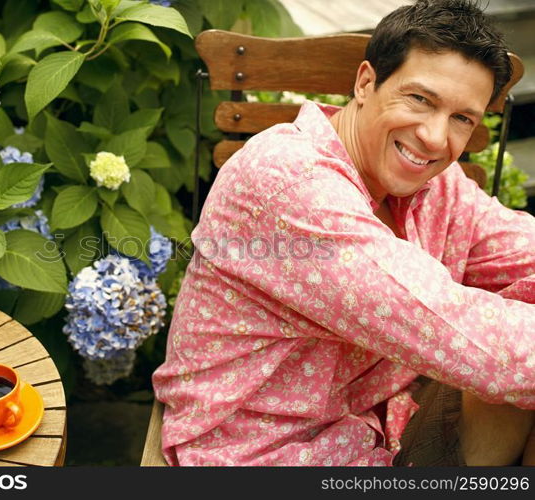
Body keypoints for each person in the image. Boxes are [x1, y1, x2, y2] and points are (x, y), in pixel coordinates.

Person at [152, 0, 535, 466]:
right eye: (420, 99)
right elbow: (474, 340)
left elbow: (520, 248)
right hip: (269, 455)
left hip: (378, 424)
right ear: (366, 82)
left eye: (462, 119)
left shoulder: (431, 184)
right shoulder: (288, 184)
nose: (436, 137)